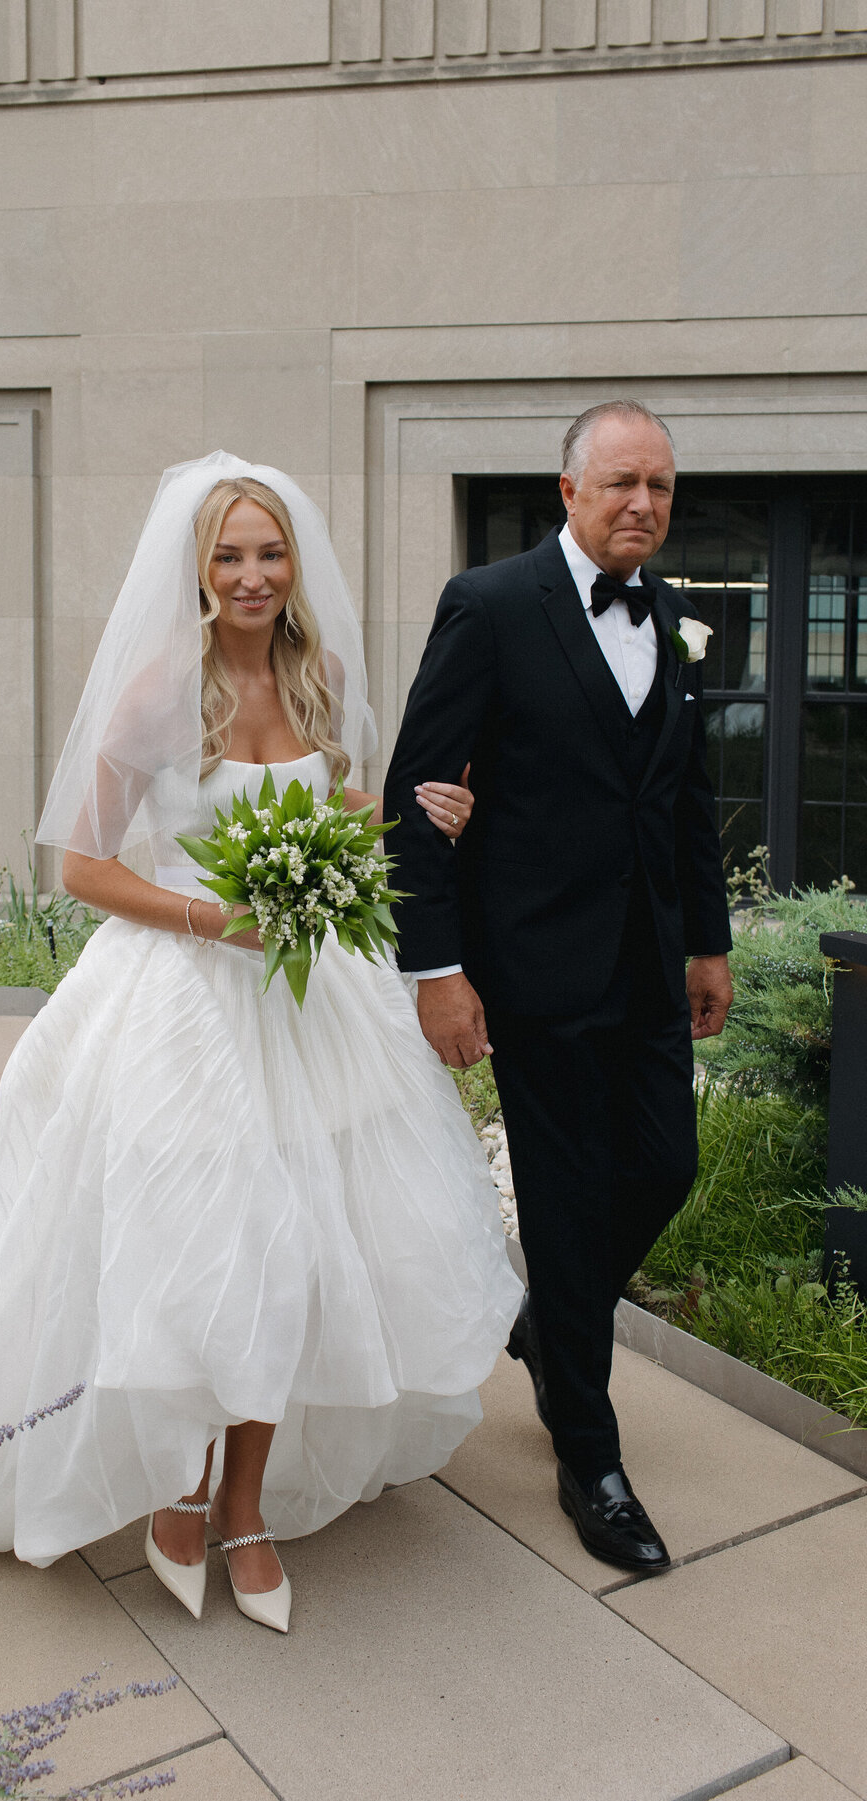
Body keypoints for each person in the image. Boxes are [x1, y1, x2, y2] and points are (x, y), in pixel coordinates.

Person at [0, 452, 521, 1635]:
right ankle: (180, 1486)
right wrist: (219, 916)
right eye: (230, 554)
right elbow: (84, 866)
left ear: (293, 565)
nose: (252, 574)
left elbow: (350, 826)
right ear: (197, 568)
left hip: (313, 1003)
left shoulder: (322, 680)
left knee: (303, 1252)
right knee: (205, 1252)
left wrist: (411, 820)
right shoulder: (164, 690)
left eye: (270, 552)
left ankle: (244, 1507)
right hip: (185, 1002)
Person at [383, 402, 733, 1575]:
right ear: (570, 490)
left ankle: (552, 1322)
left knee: (666, 1162)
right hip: (530, 968)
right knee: (570, 1198)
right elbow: (416, 794)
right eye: (624, 482)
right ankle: (590, 1450)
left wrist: (709, 943)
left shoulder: (676, 618)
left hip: (646, 965)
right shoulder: (489, 606)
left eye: (664, 486)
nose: (646, 504)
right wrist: (436, 969)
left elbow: (684, 798)